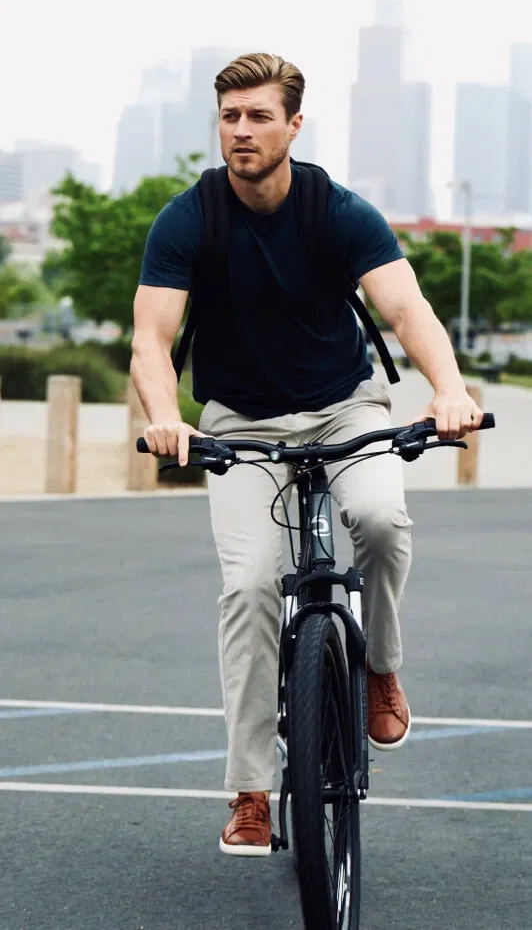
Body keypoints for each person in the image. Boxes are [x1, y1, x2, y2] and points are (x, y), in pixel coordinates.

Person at [131, 52, 484, 857]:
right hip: (241, 426)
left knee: (383, 518)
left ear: (295, 124)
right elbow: (151, 340)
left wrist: (449, 389)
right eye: (230, 116)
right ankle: (252, 788)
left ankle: (380, 669)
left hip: (342, 409)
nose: (242, 130)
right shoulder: (191, 218)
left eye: (259, 115)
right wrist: (164, 416)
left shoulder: (339, 211)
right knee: (250, 583)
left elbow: (408, 308)